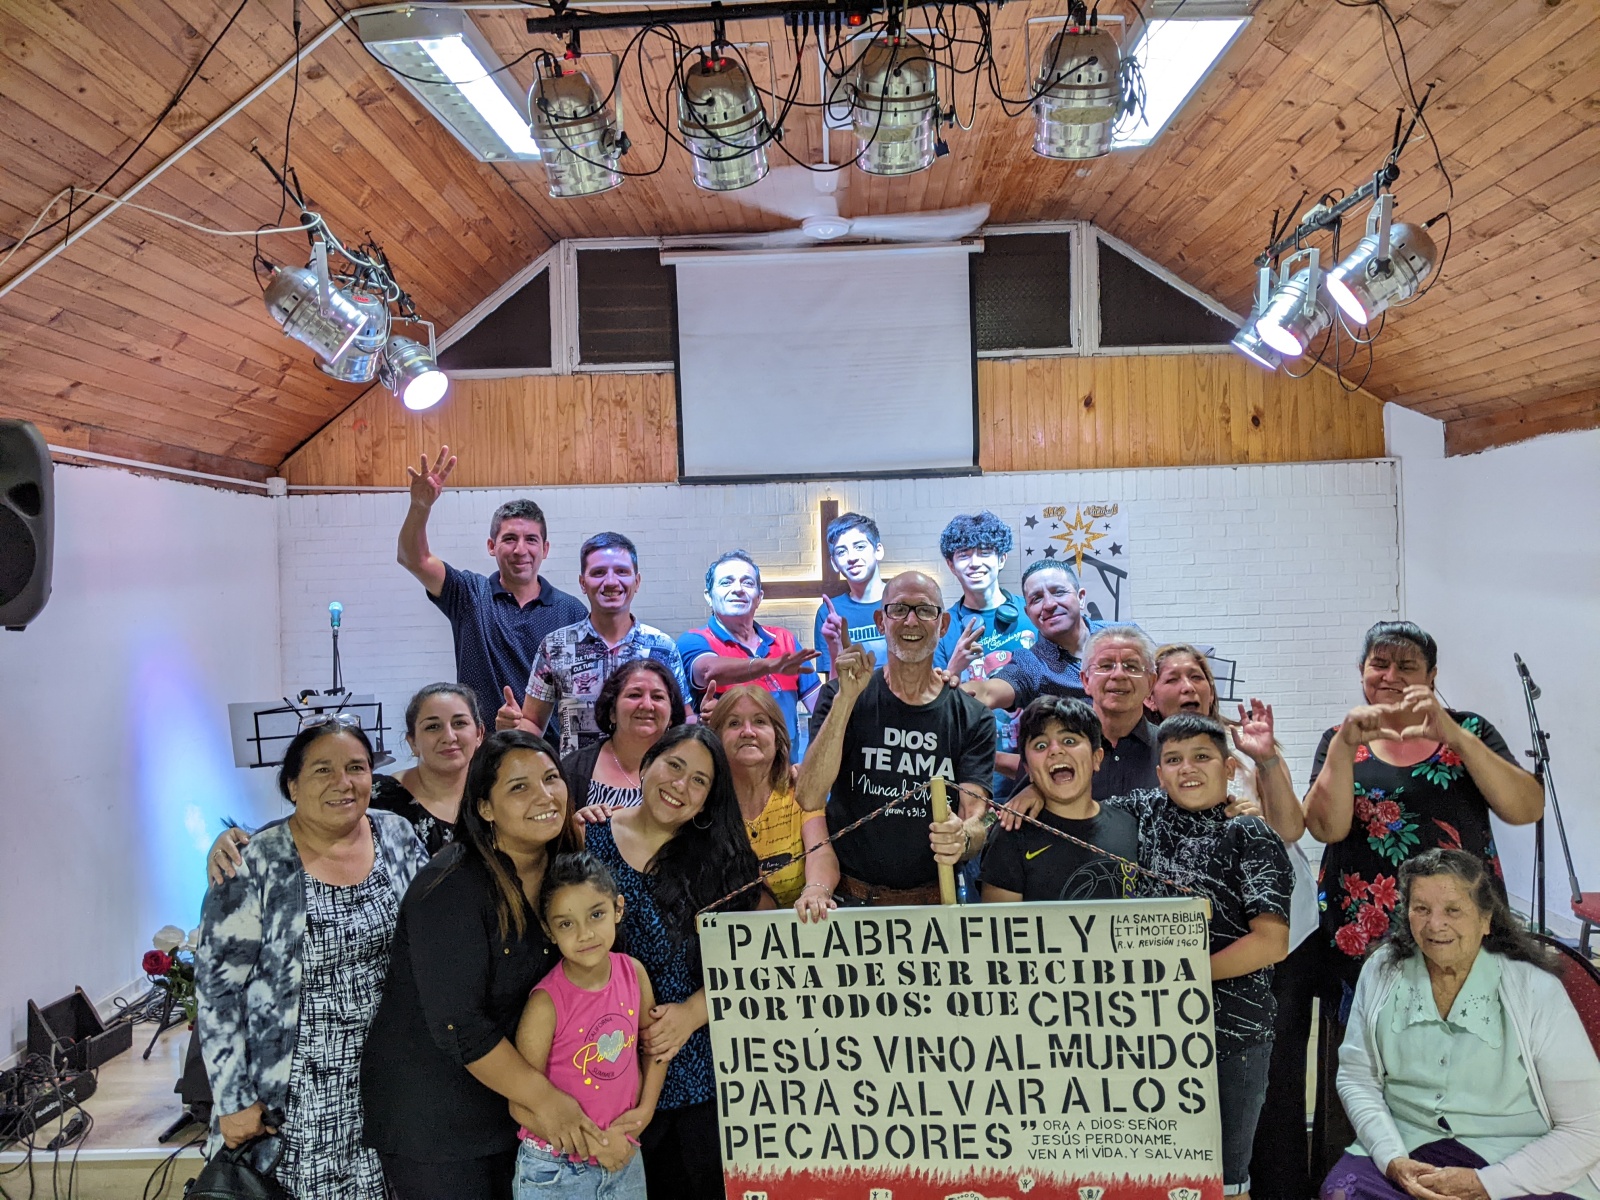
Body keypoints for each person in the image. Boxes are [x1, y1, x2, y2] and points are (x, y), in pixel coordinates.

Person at [1263, 621, 1546, 1200]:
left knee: (1467, 1060)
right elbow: (1326, 828)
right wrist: (1344, 744)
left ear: (1432, 676)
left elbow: (1525, 808)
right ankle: (1361, 1175)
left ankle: (1469, 1170)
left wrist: (1453, 733)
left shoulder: (1469, 730)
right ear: (1362, 672)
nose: (1390, 676)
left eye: (1407, 666)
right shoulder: (1340, 738)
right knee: (1366, 1068)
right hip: (1362, 941)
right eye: (1379, 664)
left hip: (1461, 936)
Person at [361, 730, 600, 1200]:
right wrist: (546, 1100)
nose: (544, 796)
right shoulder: (449, 886)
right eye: (519, 786)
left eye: (551, 778)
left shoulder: (568, 870)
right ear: (485, 807)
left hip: (514, 1103)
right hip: (437, 1116)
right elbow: (460, 1026)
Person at [196, 718, 428, 1199]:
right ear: (293, 785)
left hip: (391, 1077)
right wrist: (234, 1099)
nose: (343, 782)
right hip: (297, 1093)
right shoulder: (255, 862)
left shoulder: (396, 835)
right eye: (323, 770)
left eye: (356, 768)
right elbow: (217, 993)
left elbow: (434, 927)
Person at [1328, 848, 1600, 1200]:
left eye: (1453, 910)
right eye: (1421, 909)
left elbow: (1587, 1126)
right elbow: (1357, 1077)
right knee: (1343, 1194)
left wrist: (1486, 1184)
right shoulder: (1383, 970)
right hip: (1408, 1143)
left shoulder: (1534, 988)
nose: (1435, 924)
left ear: (1486, 919)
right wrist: (1391, 1158)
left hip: (1517, 1154)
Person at [1112, 713, 1293, 1200]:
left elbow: (1271, 942)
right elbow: (1077, 809)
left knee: (1227, 1182)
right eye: (1173, 760)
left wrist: (1180, 977)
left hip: (1232, 1035)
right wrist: (1030, 792)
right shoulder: (1144, 811)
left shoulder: (1250, 833)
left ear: (1229, 767)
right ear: (1159, 773)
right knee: (1157, 1180)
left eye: (1201, 757)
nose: (1187, 768)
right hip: (1151, 1034)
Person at [581, 726, 766, 1200]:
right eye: (674, 766)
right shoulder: (586, 838)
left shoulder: (721, 859)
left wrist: (692, 1014)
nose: (680, 785)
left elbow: (756, 956)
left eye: (699, 781)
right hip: (607, 1068)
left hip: (701, 1072)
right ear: (647, 765)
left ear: (707, 801)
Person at [799, 571, 997, 905]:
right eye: (899, 609)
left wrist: (963, 837)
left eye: (925, 610)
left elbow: (978, 817)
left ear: (943, 624)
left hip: (935, 901)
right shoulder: (840, 696)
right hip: (851, 899)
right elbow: (809, 796)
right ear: (881, 621)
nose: (911, 621)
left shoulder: (972, 716)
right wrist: (846, 699)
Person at [208, 684, 485, 881]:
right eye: (432, 726)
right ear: (412, 742)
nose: (449, 736)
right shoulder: (376, 793)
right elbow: (304, 825)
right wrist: (237, 842)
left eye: (460, 723)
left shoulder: (493, 797)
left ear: (480, 734)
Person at [511, 853, 667, 1200]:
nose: (585, 934)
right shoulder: (545, 1004)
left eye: (596, 915)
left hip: (624, 1153)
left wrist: (644, 1113)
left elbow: (656, 1045)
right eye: (567, 924)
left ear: (618, 909)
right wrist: (596, 1147)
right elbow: (520, 1106)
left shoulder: (633, 973)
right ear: (549, 930)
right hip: (556, 1170)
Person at [397, 446, 585, 728]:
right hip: (484, 749)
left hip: (548, 750)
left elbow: (584, 691)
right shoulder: (469, 595)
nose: (520, 550)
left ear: (545, 549)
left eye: (531, 540)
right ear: (491, 546)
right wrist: (420, 507)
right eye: (509, 539)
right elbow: (413, 558)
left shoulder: (571, 611)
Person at [504, 532, 692, 757]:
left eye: (622, 572)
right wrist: (513, 728)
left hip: (647, 775)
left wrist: (708, 722)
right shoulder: (556, 646)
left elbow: (684, 720)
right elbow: (533, 723)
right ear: (583, 583)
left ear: (637, 581)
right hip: (576, 776)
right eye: (598, 573)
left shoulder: (662, 647)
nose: (611, 582)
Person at [979, 696, 1139, 903]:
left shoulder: (1130, 826)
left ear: (1096, 758)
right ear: (1028, 770)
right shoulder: (1010, 836)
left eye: (1069, 741)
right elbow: (1000, 921)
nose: (1055, 750)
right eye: (1040, 745)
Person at [708, 683, 840, 919]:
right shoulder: (704, 802)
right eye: (734, 723)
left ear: (778, 738)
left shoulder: (800, 792)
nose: (748, 732)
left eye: (760, 721)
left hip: (799, 929)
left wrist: (816, 891)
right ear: (716, 739)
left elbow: (821, 853)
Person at [934, 513, 1039, 800]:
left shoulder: (1034, 615)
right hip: (971, 774)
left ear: (1002, 558)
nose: (975, 563)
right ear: (951, 565)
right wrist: (955, 665)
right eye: (963, 555)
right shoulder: (942, 627)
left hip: (1035, 770)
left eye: (984, 552)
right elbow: (933, 708)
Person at [678, 550, 820, 749]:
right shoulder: (694, 640)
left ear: (759, 597)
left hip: (785, 766)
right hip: (725, 766)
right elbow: (709, 671)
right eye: (726, 582)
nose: (738, 589)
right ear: (709, 596)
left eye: (747, 583)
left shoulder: (784, 639)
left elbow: (822, 709)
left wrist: (835, 652)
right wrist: (769, 666)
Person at [961, 560, 1101, 717]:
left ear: (1081, 598)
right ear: (1028, 613)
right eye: (1037, 599)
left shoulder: (1119, 635)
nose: (1049, 604)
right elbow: (987, 693)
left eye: (1058, 592)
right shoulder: (1030, 664)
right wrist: (944, 687)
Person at [563, 659, 686, 816]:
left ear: (671, 716)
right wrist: (574, 827)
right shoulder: (573, 768)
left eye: (657, 697)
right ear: (612, 712)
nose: (647, 705)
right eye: (634, 695)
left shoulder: (688, 769)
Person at [812, 512, 889, 673]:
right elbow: (833, 683)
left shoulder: (904, 600)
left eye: (860, 547)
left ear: (878, 551)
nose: (851, 557)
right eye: (841, 552)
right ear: (834, 563)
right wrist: (836, 649)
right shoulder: (829, 613)